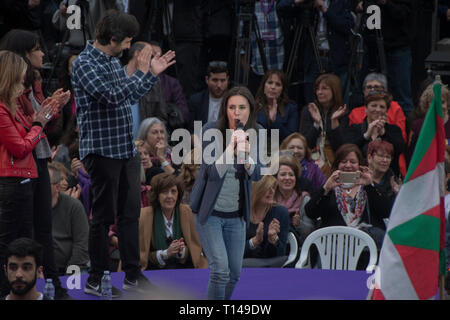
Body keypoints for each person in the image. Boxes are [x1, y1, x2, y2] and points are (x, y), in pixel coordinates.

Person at [70, 9, 176, 297]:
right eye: (128, 41)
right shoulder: (84, 64)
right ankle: (96, 279)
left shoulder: (114, 61)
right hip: (102, 151)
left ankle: (132, 275)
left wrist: (151, 75)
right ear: (114, 38)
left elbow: (127, 94)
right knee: (103, 219)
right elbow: (112, 96)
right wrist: (142, 72)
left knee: (130, 215)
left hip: (125, 150)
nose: (130, 47)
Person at [0, 29, 73, 299]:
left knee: (42, 226)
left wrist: (53, 108)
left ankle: (53, 285)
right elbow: (27, 132)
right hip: (18, 168)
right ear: (24, 55)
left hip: (36, 160)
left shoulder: (35, 80)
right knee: (17, 232)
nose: (43, 53)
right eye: (37, 49)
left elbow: (46, 126)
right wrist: (42, 118)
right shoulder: (11, 93)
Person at [190, 86, 263, 300]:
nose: (237, 112)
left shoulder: (256, 131)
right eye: (232, 107)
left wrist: (246, 157)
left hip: (236, 215)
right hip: (210, 212)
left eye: (242, 107)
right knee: (220, 270)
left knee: (234, 274)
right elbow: (212, 173)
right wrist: (231, 149)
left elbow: (257, 174)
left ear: (250, 110)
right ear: (225, 109)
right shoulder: (211, 130)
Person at [0, 50, 55, 298]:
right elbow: (20, 146)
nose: (24, 83)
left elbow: (33, 133)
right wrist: (38, 123)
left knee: (21, 243)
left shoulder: (12, 107)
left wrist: (47, 112)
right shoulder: (1, 110)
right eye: (21, 78)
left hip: (21, 180)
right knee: (11, 245)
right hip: (11, 182)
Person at [305, 144, 393, 250]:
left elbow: (386, 211)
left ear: (360, 165)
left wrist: (370, 186)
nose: (348, 165)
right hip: (333, 247)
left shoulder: (369, 187)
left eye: (352, 162)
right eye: (343, 162)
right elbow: (310, 212)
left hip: (364, 248)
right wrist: (326, 189)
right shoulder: (329, 188)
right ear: (337, 164)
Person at [277, 0, 355, 104]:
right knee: (312, 102)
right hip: (313, 58)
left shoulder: (340, 2)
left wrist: (325, 11)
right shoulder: (307, 4)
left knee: (340, 102)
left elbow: (348, 26)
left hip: (336, 58)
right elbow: (281, 7)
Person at [139, 173, 208, 270]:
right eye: (164, 192)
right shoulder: (144, 216)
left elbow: (197, 251)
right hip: (155, 272)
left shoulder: (188, 213)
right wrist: (165, 254)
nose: (169, 196)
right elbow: (141, 256)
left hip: (184, 270)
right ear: (156, 195)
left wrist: (182, 251)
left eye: (173, 191)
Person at [345, 91, 405, 177]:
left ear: (386, 110)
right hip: (358, 177)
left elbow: (399, 150)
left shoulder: (394, 130)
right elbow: (347, 151)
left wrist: (384, 133)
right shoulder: (355, 129)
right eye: (373, 105)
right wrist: (366, 136)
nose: (378, 109)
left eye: (382, 107)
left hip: (388, 179)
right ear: (365, 109)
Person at [299, 73, 347, 178]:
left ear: (334, 90)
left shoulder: (343, 112)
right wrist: (316, 124)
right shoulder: (308, 110)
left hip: (336, 162)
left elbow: (342, 148)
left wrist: (334, 122)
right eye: (317, 89)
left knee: (351, 177)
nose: (319, 92)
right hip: (312, 160)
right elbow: (305, 144)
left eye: (324, 88)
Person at [48, 163, 89, 275]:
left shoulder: (74, 206)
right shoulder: (32, 206)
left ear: (56, 187)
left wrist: (70, 273)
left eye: (45, 183)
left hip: (71, 267)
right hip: (40, 269)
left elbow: (81, 244)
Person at [243, 175, 290, 267]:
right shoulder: (241, 212)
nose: (272, 191)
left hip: (270, 267)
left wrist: (274, 240)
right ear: (256, 190)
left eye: (273, 188)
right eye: (267, 188)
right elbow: (233, 251)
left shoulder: (280, 213)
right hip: (241, 266)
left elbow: (281, 254)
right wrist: (254, 241)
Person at [274, 154, 315, 244]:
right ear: (276, 178)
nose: (287, 178)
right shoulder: (270, 199)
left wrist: (299, 224)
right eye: (283, 174)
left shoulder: (304, 199)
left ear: (296, 178)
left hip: (299, 248)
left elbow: (311, 232)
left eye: (291, 175)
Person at [407, 82, 450, 165]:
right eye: (433, 102)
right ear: (426, 105)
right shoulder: (417, 126)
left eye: (442, 102)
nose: (439, 106)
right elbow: (410, 155)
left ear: (448, 103)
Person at [255, 69, 299, 144]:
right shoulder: (254, 106)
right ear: (264, 86)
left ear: (282, 89)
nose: (273, 87)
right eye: (270, 83)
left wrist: (274, 122)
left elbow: (291, 138)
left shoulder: (291, 108)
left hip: (281, 151)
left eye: (278, 84)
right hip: (258, 150)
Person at [188, 60, 230, 131]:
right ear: (207, 80)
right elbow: (193, 131)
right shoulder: (197, 101)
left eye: (222, 80)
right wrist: (199, 142)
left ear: (227, 80)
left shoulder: (232, 101)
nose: (219, 85)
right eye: (215, 80)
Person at [367, 140, 400, 205]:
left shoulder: (394, 182)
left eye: (388, 157)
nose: (385, 160)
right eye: (381, 156)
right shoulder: (359, 178)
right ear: (369, 158)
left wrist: (398, 195)